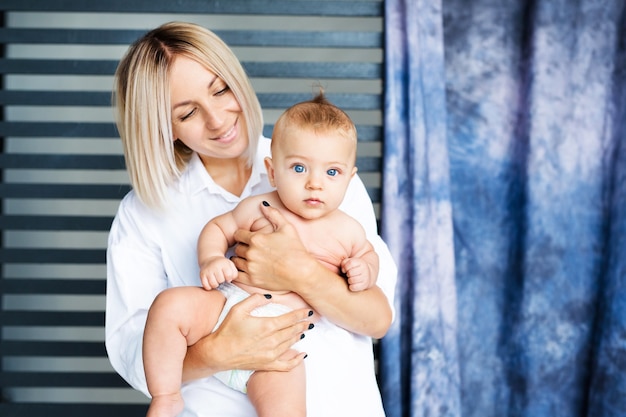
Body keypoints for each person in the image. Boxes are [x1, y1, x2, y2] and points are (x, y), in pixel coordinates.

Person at [105, 21, 397, 417]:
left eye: (221, 90)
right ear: (164, 128)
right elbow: (131, 351)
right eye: (188, 112)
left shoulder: (326, 173)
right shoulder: (144, 213)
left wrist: (297, 271)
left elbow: (377, 319)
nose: (218, 119)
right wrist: (218, 351)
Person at [142, 93, 380, 417]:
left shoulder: (349, 229)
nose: (315, 184)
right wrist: (211, 258)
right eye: (299, 168)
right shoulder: (260, 207)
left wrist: (363, 269)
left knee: (285, 406)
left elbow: (369, 260)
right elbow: (219, 227)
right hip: (224, 308)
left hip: (281, 344)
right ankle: (166, 395)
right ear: (272, 171)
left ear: (349, 180)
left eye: (332, 173)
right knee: (168, 306)